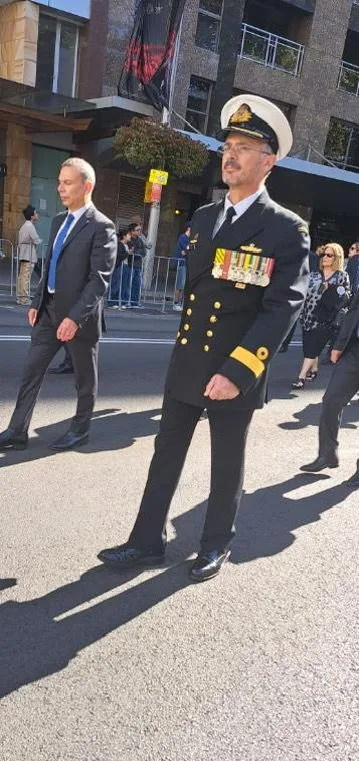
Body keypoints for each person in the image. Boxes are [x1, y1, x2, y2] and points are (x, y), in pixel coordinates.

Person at [98, 93, 310, 582]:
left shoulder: (286, 229)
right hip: (190, 360)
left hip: (236, 368)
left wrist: (238, 371)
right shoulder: (204, 218)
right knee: (165, 455)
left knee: (225, 463)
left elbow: (282, 307)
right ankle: (145, 541)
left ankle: (215, 543)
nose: (230, 156)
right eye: (228, 146)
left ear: (269, 162)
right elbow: (197, 292)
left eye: (243, 148)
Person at [0, 157, 117, 452]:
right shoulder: (57, 221)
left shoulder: (102, 227)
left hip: (79, 318)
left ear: (86, 186)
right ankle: (17, 431)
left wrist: (74, 318)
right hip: (48, 312)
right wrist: (36, 301)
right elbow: (50, 264)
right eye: (59, 182)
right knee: (31, 371)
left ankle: (80, 429)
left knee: (84, 379)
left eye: (67, 183)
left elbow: (99, 280)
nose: (60, 188)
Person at [300, 288, 359, 487]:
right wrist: (339, 345)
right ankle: (327, 454)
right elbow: (354, 310)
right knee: (331, 400)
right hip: (354, 351)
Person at [291, 243, 351, 389]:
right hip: (308, 316)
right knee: (309, 347)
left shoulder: (341, 276)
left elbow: (346, 295)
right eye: (323, 254)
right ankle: (314, 369)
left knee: (312, 349)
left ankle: (301, 377)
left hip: (326, 319)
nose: (325, 257)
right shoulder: (314, 273)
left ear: (337, 258)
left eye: (329, 255)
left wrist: (332, 288)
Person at [16, 205, 42, 305]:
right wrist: (39, 241)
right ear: (32, 216)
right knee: (25, 278)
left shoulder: (24, 226)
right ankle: (24, 299)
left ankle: (20, 297)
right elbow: (36, 240)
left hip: (24, 254)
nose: (37, 214)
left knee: (22, 277)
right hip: (28, 255)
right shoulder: (30, 226)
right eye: (35, 213)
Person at [125, 222, 148, 308]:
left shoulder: (140, 240)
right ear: (132, 231)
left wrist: (137, 252)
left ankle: (135, 302)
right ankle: (126, 302)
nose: (139, 231)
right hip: (130, 265)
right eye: (137, 230)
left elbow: (144, 252)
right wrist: (137, 252)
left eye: (140, 230)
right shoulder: (129, 239)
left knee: (137, 284)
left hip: (138, 266)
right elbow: (131, 251)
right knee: (128, 284)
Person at [108, 228, 132, 308]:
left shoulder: (127, 245)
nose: (130, 236)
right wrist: (127, 253)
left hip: (125, 266)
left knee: (124, 284)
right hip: (118, 266)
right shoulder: (119, 244)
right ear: (124, 236)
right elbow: (120, 256)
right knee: (116, 284)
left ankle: (121, 302)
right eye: (128, 235)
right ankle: (112, 302)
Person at [172, 225, 190, 311]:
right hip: (182, 264)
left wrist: (187, 250)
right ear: (189, 228)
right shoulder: (183, 237)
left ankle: (180, 303)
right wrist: (188, 250)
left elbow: (187, 250)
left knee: (183, 285)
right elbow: (186, 249)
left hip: (185, 264)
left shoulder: (189, 239)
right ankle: (176, 303)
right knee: (180, 285)